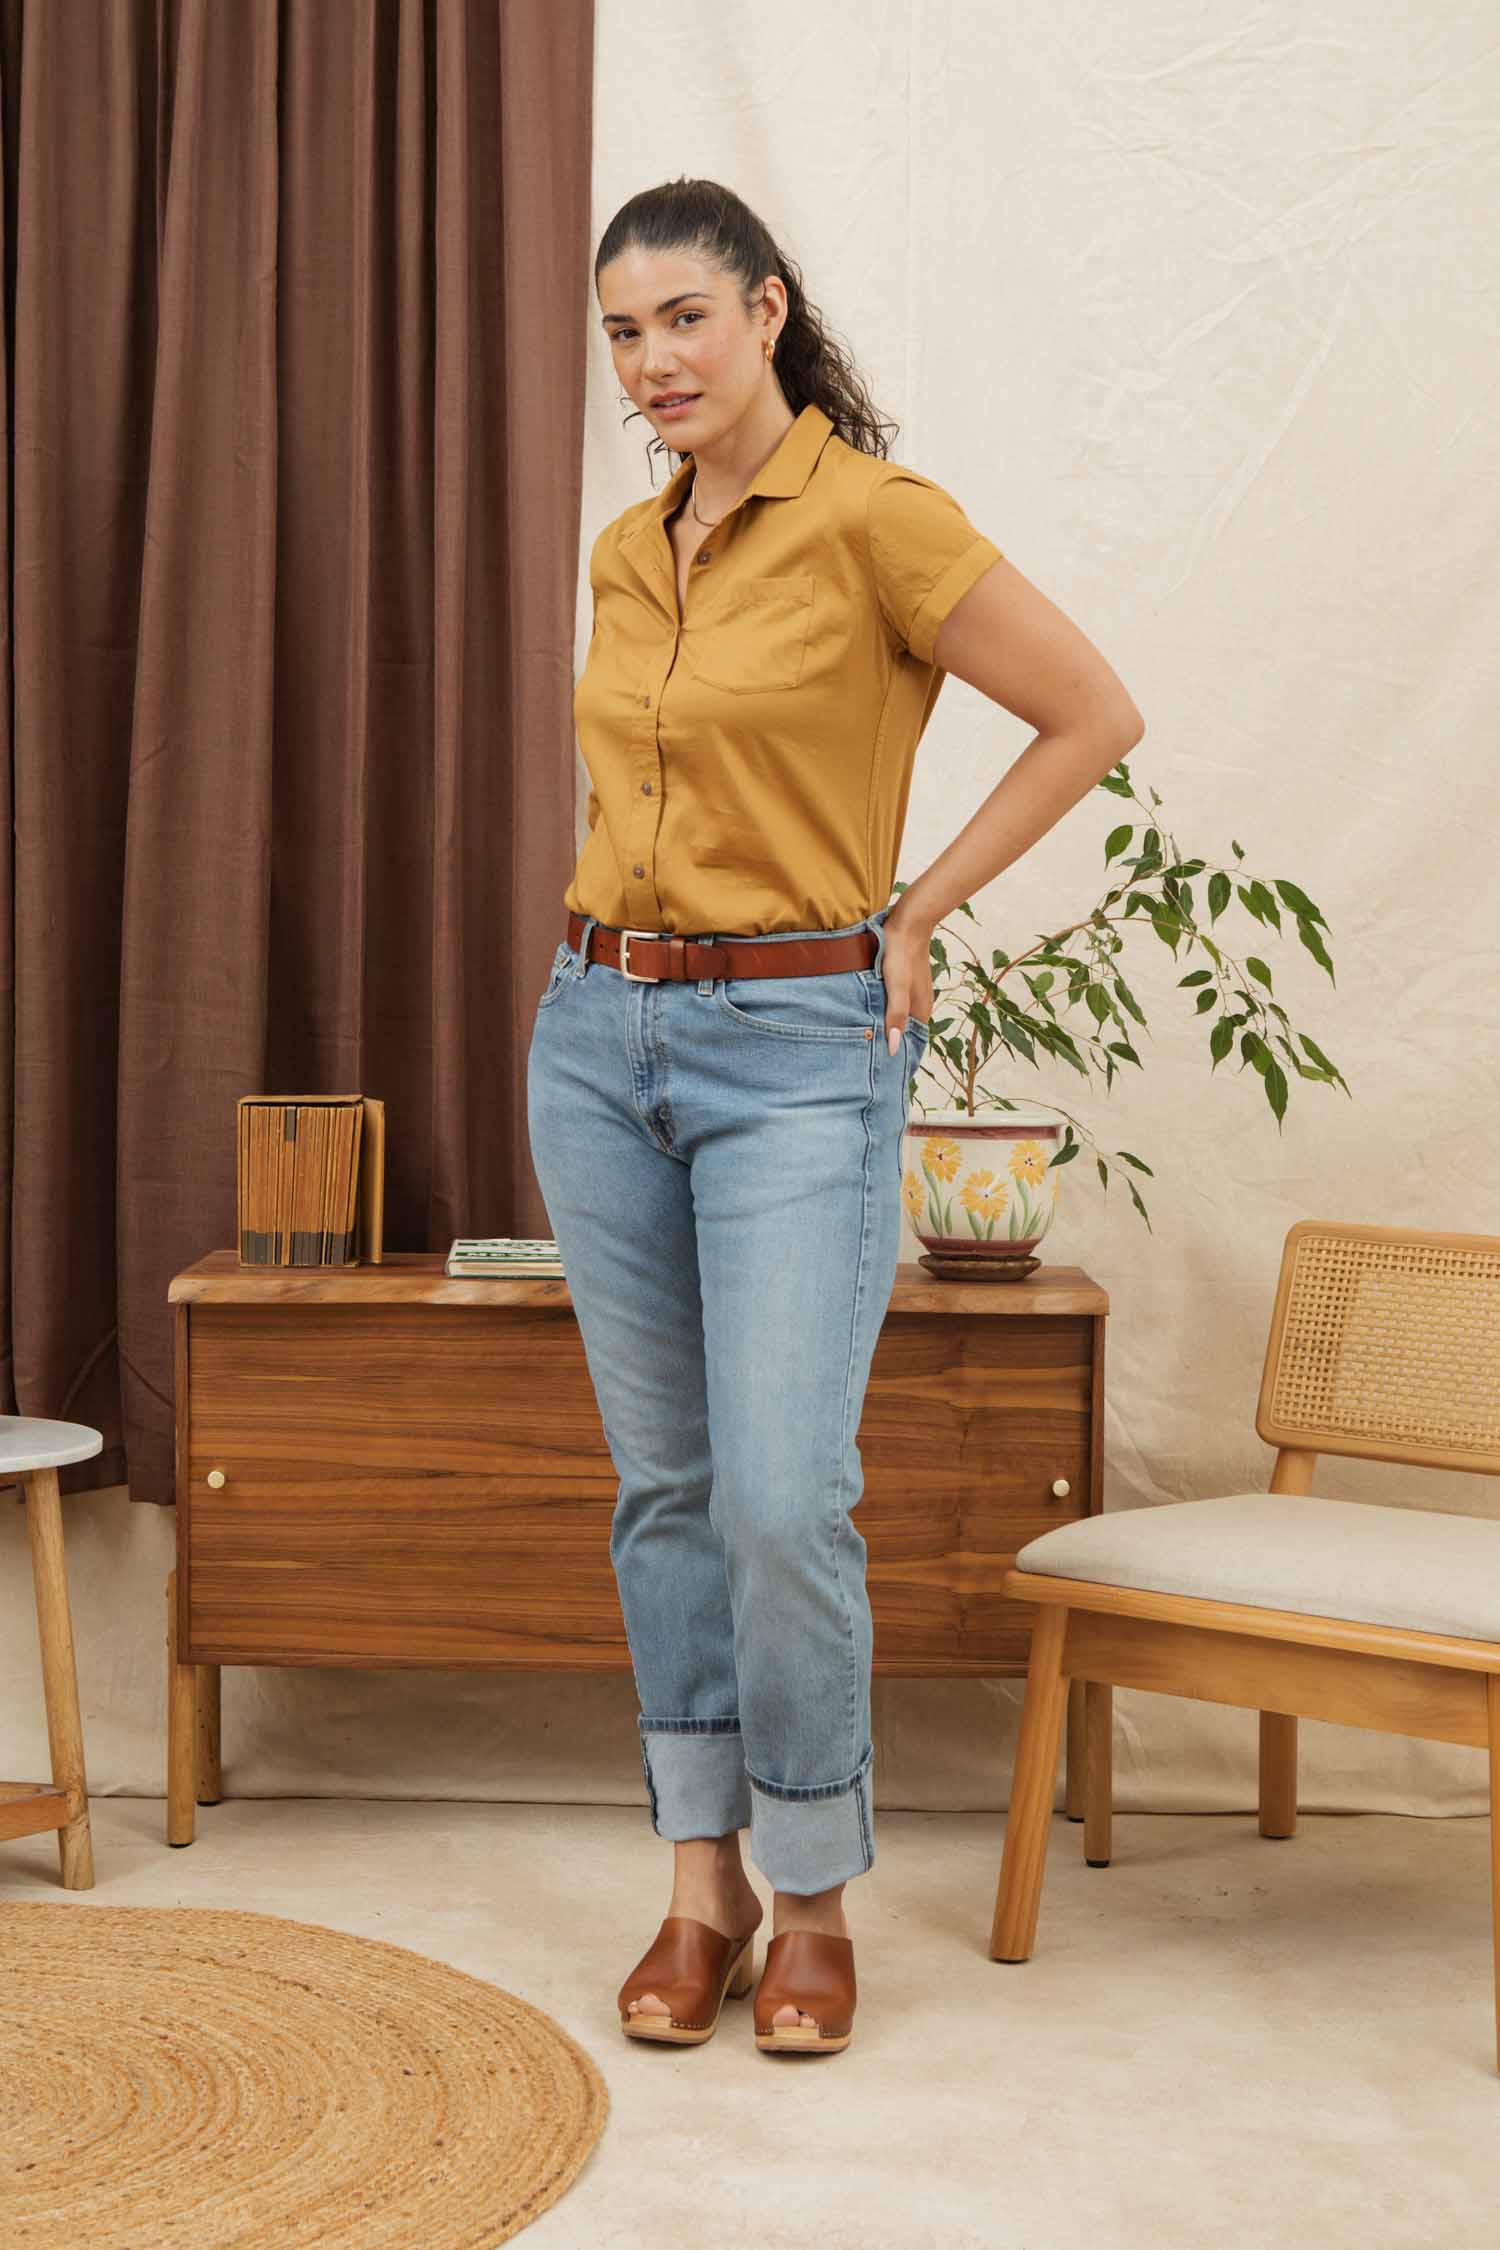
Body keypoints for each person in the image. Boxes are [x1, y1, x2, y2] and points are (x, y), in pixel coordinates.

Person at [526, 177, 1143, 2057]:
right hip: (596, 1037)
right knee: (667, 1489)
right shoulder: (631, 551)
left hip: (799, 1046)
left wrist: (919, 912)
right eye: (624, 332)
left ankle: (811, 1897)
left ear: (768, 311)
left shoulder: (877, 520)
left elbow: (1091, 711)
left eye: (685, 319)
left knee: (786, 1494)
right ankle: (699, 1884)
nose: (653, 361)